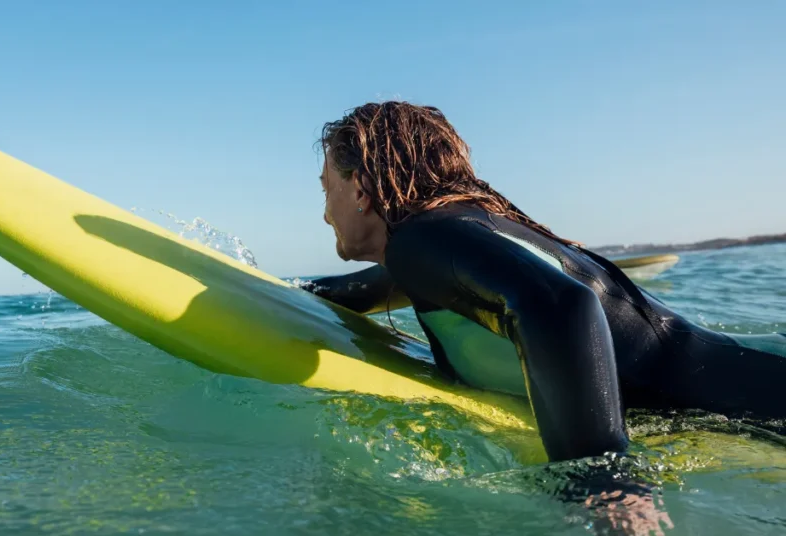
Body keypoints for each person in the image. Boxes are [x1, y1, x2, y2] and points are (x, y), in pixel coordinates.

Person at [304, 101, 786, 464]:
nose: (325, 212)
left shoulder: (422, 240)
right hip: (749, 373)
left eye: (327, 187)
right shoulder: (447, 237)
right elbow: (372, 287)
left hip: (759, 401)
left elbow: (562, 306)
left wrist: (600, 478)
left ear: (360, 189)